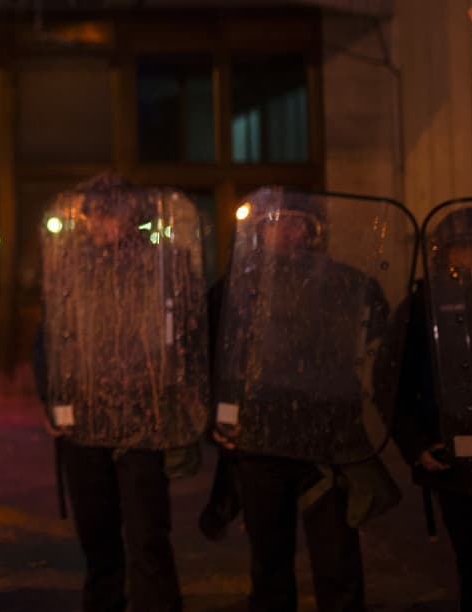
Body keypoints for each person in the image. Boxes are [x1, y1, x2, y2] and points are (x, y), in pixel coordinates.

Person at [211, 192, 400, 612]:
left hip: (327, 439)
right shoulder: (238, 287)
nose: (287, 231)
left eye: (298, 223)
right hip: (260, 437)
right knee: (270, 559)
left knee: (336, 557)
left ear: (313, 232)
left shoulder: (348, 284)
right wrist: (223, 417)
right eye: (275, 222)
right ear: (259, 230)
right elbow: (219, 357)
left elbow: (377, 348)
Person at [33, 174, 205, 612]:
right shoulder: (73, 267)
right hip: (86, 409)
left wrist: (182, 394)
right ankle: (104, 602)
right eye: (94, 214)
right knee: (96, 530)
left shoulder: (163, 264)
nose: (100, 223)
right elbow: (52, 337)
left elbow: (185, 331)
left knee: (147, 531)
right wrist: (54, 399)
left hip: (142, 409)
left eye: (110, 213)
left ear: (134, 217)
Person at [394, 206, 472, 610]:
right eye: (466, 247)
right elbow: (393, 383)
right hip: (456, 457)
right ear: (445, 253)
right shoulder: (421, 307)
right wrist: (418, 445)